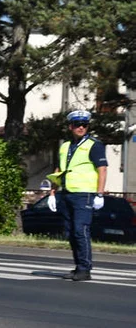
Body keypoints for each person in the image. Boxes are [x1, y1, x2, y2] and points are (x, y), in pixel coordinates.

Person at [47, 110, 108, 281]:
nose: (81, 127)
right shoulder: (65, 146)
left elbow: (102, 169)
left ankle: (84, 268)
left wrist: (100, 194)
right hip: (67, 193)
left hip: (84, 194)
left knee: (81, 230)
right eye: (77, 124)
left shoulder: (94, 145)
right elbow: (59, 170)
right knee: (71, 232)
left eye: (84, 125)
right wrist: (52, 192)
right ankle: (78, 266)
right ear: (70, 126)